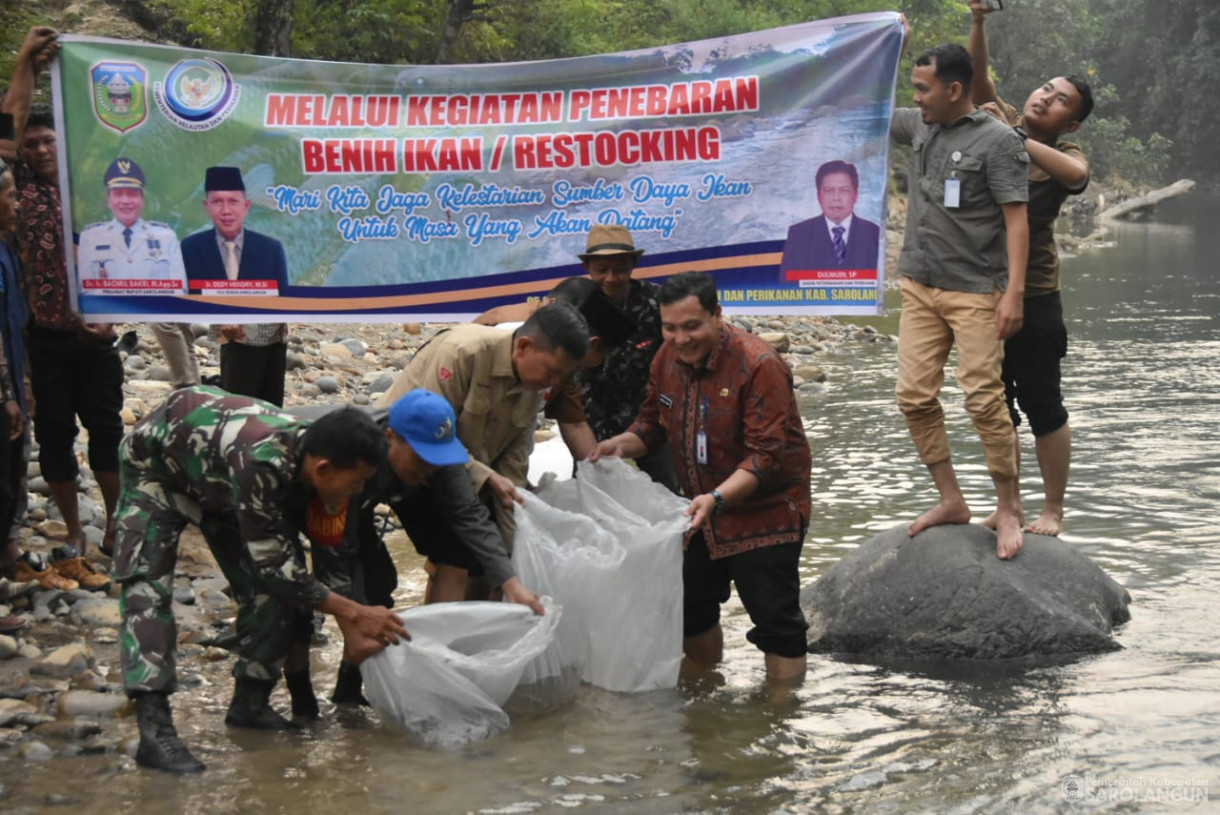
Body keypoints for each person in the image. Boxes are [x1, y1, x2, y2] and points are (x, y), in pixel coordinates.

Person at [114, 385, 409, 773]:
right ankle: (156, 731)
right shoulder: (263, 461)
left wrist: (351, 624)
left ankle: (250, 703)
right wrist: (355, 612)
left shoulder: (323, 467)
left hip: (223, 483)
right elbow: (278, 570)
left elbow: (330, 556)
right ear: (323, 470)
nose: (359, 493)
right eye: (356, 485)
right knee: (147, 592)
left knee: (272, 593)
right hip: (157, 472)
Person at [591, 272, 812, 682]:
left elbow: (766, 456)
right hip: (700, 515)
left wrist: (716, 497)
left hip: (767, 515)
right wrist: (618, 445)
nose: (680, 338)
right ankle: (706, 689)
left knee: (777, 624)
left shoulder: (759, 363)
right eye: (669, 328)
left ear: (717, 315)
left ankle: (781, 719)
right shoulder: (665, 358)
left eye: (692, 326)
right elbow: (651, 424)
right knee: (690, 610)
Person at [890, 42, 1030, 560]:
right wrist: (889, 44)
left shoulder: (999, 142)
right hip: (920, 283)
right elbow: (872, 107)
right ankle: (951, 500)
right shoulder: (920, 124)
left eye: (923, 89)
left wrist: (1012, 293)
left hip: (975, 288)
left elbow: (1017, 220)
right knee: (913, 396)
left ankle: (1009, 506)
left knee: (982, 398)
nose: (915, 98)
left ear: (954, 90)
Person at [1, 27, 119, 588]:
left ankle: (117, 526)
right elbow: (8, 122)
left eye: (51, 142)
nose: (42, 150)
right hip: (43, 339)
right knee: (54, 436)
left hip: (97, 338)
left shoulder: (93, 186)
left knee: (107, 431)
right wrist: (26, 60)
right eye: (33, 144)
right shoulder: (18, 190)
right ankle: (73, 534)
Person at [968, 0, 1092, 536]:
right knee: (996, 403)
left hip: (1036, 293)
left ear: (1073, 119)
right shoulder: (1004, 119)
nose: (1045, 97)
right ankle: (1008, 504)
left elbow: (1077, 176)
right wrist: (978, 21)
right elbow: (975, 82)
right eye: (1045, 88)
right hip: (980, 290)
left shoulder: (1065, 151)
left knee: (1043, 401)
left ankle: (1053, 509)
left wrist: (1013, 137)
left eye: (1060, 98)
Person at [376, 302, 588, 603]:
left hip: (463, 470)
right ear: (524, 346)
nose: (552, 384)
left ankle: (463, 638)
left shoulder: (533, 387)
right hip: (407, 458)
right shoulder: (463, 352)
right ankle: (433, 642)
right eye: (551, 372)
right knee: (438, 556)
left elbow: (512, 470)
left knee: (487, 554)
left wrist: (515, 552)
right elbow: (427, 438)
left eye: (561, 378)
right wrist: (488, 479)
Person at [475, 276, 635, 460]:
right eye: (601, 358)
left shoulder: (564, 363)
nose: (555, 379)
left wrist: (599, 474)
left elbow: (574, 424)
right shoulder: (501, 336)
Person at [577, 224, 680, 493]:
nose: (611, 278)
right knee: (588, 500)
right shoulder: (574, 305)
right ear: (588, 267)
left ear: (633, 265)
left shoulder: (657, 302)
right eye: (602, 270)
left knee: (674, 494)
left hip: (649, 421)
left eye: (620, 269)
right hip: (590, 421)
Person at [184, 165, 290, 405]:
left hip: (273, 337)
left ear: (247, 206)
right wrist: (222, 319)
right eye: (217, 202)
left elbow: (285, 297)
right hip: (235, 338)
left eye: (233, 201)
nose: (226, 210)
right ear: (207, 206)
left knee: (271, 411)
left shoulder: (270, 247)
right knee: (239, 410)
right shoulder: (191, 248)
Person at [77, 157, 186, 289]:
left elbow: (179, 290)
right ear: (108, 200)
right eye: (118, 194)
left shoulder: (166, 237)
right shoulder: (90, 238)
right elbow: (85, 291)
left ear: (142, 199)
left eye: (132, 194)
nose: (125, 201)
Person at [779, 160, 882, 273]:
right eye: (829, 191)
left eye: (844, 190)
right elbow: (787, 287)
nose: (836, 198)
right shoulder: (798, 235)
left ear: (856, 195)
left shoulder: (874, 234)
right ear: (819, 196)